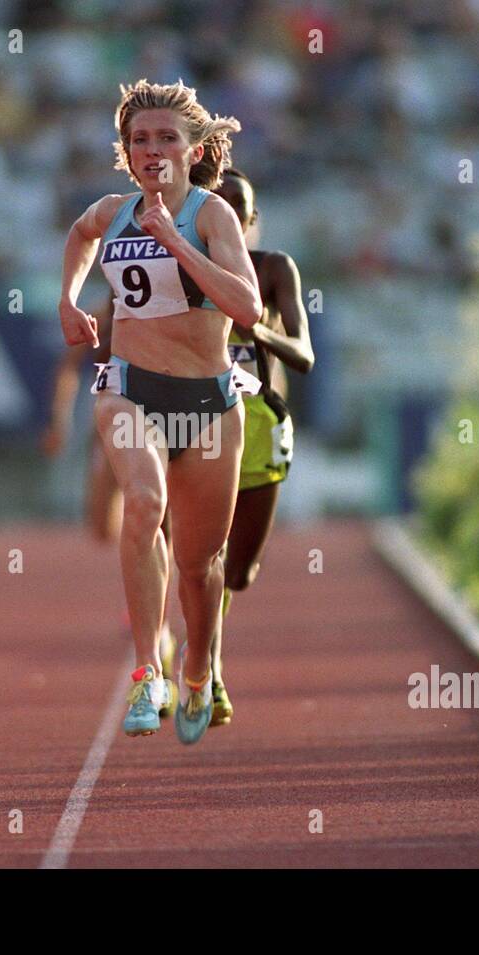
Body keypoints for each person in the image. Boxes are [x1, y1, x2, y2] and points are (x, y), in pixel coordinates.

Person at [58, 79, 262, 744]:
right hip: (129, 387)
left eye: (166, 138)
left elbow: (247, 308)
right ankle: (149, 670)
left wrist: (174, 242)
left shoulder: (211, 216)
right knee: (143, 505)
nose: (152, 149)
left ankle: (200, 668)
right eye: (139, 139)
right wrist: (68, 298)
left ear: (194, 148)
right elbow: (80, 234)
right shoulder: (113, 210)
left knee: (201, 567)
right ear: (125, 150)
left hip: (207, 401)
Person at [207, 168, 315, 725]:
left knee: (240, 572)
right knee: (204, 551)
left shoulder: (273, 268)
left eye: (238, 208)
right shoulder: (181, 265)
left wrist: (255, 329)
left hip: (261, 421)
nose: (227, 215)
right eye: (215, 205)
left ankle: (201, 642)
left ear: (250, 221)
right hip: (197, 420)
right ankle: (207, 664)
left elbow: (304, 353)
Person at [42, 290, 177, 716]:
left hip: (161, 420)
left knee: (157, 515)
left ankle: (161, 624)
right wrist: (61, 420)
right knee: (101, 526)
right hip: (113, 419)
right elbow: (68, 367)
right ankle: (142, 569)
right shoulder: (103, 315)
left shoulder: (169, 308)